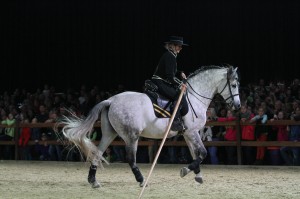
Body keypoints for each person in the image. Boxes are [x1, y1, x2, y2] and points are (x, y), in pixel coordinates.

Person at [151, 36, 189, 132]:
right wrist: (181, 84)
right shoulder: (170, 56)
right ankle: (175, 122)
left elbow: (170, 71)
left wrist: (180, 72)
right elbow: (170, 77)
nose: (180, 48)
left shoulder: (170, 55)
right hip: (160, 82)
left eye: (181, 46)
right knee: (178, 95)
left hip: (161, 81)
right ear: (172, 46)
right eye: (178, 46)